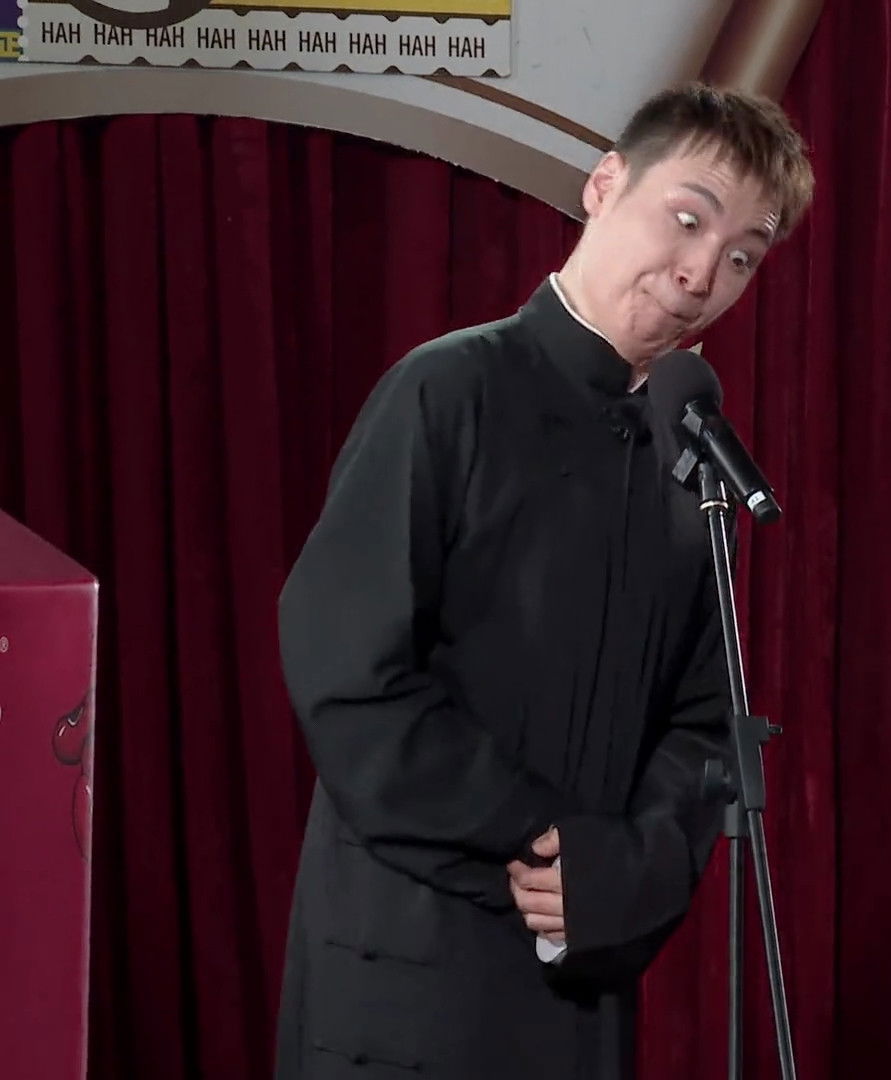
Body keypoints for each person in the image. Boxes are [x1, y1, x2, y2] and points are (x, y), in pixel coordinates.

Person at [274, 83, 814, 1079]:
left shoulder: (691, 466)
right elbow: (350, 678)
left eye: (743, 255)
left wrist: (629, 870)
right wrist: (545, 836)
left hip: (575, 989)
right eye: (687, 219)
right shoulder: (446, 391)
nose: (703, 273)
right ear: (604, 185)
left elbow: (705, 727)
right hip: (404, 970)